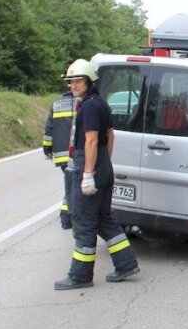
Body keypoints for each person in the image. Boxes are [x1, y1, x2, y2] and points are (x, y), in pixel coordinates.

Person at [54, 59, 140, 290]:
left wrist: (88, 173)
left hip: (90, 163)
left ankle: (80, 276)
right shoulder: (101, 103)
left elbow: (91, 141)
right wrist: (103, 165)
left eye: (78, 81)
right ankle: (126, 264)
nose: (73, 85)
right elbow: (110, 137)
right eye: (71, 81)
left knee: (83, 221)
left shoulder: (89, 107)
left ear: (89, 82)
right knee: (103, 219)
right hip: (102, 163)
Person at [42, 86, 75, 229]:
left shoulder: (57, 103)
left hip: (61, 155)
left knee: (70, 186)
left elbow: (49, 128)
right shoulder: (85, 102)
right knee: (73, 187)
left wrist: (47, 148)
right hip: (76, 154)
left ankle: (67, 218)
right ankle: (67, 218)